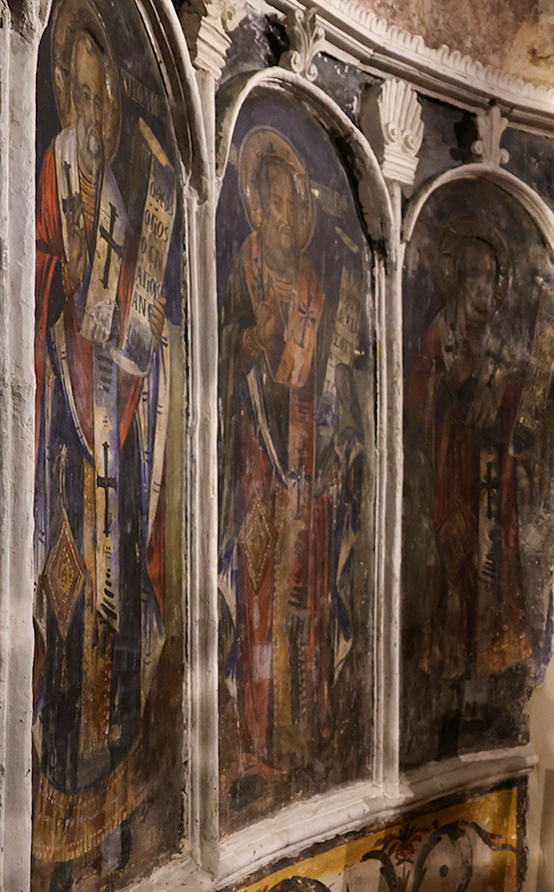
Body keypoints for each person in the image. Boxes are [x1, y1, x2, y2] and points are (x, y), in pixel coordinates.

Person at [33, 0, 169, 892]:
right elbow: (42, 272)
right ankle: (48, 836)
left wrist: (138, 340)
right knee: (66, 602)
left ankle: (111, 815)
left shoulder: (118, 195)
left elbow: (135, 320)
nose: (88, 101)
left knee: (115, 616)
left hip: (110, 436)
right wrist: (71, 302)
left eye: (99, 91)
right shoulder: (57, 168)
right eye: (76, 86)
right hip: (60, 429)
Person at [218, 126, 335, 782]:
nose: (275, 215)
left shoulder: (314, 286)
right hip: (258, 464)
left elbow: (325, 386)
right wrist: (253, 340)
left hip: (304, 465)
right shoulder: (248, 264)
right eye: (266, 203)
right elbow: (227, 346)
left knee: (302, 599)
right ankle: (256, 736)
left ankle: (301, 730)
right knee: (259, 593)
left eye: (286, 203)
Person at [403, 218, 533, 680]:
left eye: (490, 278)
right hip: (450, 467)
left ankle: (487, 658)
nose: (482, 287)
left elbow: (527, 406)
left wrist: (501, 393)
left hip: (491, 471)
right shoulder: (443, 331)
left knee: (489, 560)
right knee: (452, 554)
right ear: (458, 277)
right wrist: (446, 385)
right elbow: (416, 389)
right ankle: (447, 655)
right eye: (474, 276)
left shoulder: (504, 343)